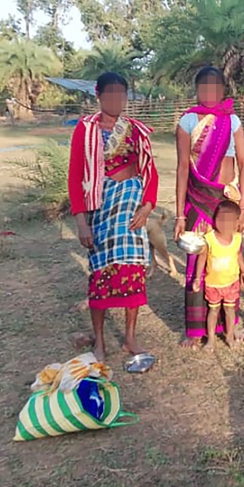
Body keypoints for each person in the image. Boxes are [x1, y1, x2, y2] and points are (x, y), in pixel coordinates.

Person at [68, 72, 159, 361]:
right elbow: (75, 176)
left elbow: (150, 170)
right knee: (100, 273)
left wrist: (147, 207)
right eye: (110, 95)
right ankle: (100, 342)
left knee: (132, 270)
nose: (116, 100)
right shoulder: (86, 129)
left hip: (131, 207)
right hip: (101, 208)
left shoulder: (134, 130)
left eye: (121, 95)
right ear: (98, 96)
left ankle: (130, 338)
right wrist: (81, 221)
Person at [173, 67, 244, 349]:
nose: (209, 93)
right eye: (203, 87)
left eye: (214, 87)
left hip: (226, 201)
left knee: (227, 262)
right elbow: (182, 168)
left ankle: (229, 323)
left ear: (222, 89)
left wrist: (242, 206)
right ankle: (196, 330)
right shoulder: (188, 121)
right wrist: (180, 214)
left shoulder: (233, 121)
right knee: (196, 264)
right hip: (197, 199)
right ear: (196, 90)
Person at [190, 200, 244, 350]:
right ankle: (211, 339)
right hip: (213, 285)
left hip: (231, 284)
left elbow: (238, 256)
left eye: (228, 221)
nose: (223, 224)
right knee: (213, 310)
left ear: (236, 223)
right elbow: (202, 258)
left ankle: (229, 336)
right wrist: (197, 278)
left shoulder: (237, 238)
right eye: (220, 219)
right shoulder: (209, 239)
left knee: (230, 310)